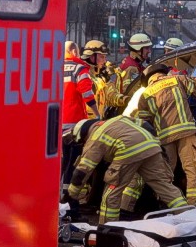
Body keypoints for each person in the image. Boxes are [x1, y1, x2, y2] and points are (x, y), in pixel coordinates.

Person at [61, 116, 188, 224]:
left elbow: (83, 170)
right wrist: (155, 142)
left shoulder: (94, 138)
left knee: (111, 193)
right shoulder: (117, 120)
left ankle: (108, 229)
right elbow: (145, 124)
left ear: (83, 135)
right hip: (151, 145)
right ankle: (188, 217)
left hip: (128, 150)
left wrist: (70, 195)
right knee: (164, 186)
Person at [125, 63, 196, 208]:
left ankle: (165, 206)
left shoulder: (146, 94)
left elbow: (144, 122)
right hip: (186, 133)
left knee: (165, 174)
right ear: (163, 72)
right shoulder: (178, 80)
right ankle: (195, 207)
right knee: (192, 169)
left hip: (165, 138)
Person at [61, 40, 99, 221]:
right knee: (73, 166)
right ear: (74, 51)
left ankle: (61, 205)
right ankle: (71, 208)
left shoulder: (53, 67)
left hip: (56, 124)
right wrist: (98, 115)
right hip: (74, 124)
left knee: (61, 167)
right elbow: (86, 94)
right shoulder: (78, 69)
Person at [81, 40, 129, 119]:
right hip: (86, 124)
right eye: (102, 57)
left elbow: (109, 96)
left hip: (96, 123)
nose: (105, 61)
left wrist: (123, 99)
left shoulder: (99, 77)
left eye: (105, 57)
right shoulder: (84, 76)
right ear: (92, 57)